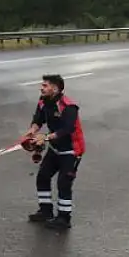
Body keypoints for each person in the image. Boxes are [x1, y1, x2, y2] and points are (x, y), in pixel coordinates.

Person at [22, 74, 85, 229]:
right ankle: (45, 212)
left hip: (71, 151)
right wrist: (32, 130)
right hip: (55, 148)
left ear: (55, 88)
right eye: (42, 85)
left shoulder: (69, 106)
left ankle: (64, 219)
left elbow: (67, 129)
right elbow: (39, 119)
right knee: (43, 177)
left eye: (45, 86)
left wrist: (46, 137)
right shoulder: (43, 101)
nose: (41, 88)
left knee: (63, 183)